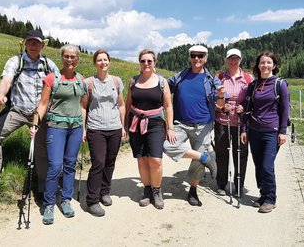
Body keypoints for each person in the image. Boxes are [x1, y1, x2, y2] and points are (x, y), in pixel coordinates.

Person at [0, 30, 58, 198]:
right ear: (25, 43)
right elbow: (6, 80)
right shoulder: (15, 61)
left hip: (40, 113)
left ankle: (44, 185)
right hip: (16, 110)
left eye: (36, 42)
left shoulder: (48, 64)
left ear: (42, 45)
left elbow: (59, 82)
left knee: (41, 147)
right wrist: (1, 95)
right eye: (30, 42)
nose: (33, 45)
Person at [30, 44, 87, 224]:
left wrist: (83, 127)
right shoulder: (51, 78)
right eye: (66, 56)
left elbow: (83, 106)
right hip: (56, 126)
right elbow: (43, 103)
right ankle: (49, 204)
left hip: (76, 128)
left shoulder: (81, 79)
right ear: (62, 58)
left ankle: (66, 200)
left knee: (70, 164)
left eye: (73, 57)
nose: (69, 60)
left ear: (77, 59)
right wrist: (35, 123)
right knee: (55, 165)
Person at [163, 45, 224, 207]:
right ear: (190, 57)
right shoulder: (181, 76)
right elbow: (164, 86)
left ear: (206, 58)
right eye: (194, 55)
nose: (197, 59)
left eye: (201, 56)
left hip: (203, 125)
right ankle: (205, 157)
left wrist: (221, 96)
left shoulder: (212, 79)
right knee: (168, 146)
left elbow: (220, 104)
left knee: (197, 162)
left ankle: (193, 191)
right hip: (180, 124)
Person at [125, 49, 175, 210]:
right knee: (142, 158)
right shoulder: (133, 81)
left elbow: (168, 105)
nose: (146, 64)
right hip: (136, 122)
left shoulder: (161, 81)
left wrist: (171, 127)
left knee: (155, 159)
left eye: (149, 61)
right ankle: (146, 191)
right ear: (139, 63)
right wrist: (125, 123)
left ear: (154, 63)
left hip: (155, 124)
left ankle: (156, 190)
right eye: (143, 61)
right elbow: (128, 104)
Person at [241, 51, 290, 213]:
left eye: (269, 62)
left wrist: (282, 132)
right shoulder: (253, 85)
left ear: (274, 66)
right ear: (258, 65)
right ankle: (262, 195)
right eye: (262, 62)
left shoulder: (280, 84)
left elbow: (285, 110)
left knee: (267, 166)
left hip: (272, 132)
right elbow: (247, 109)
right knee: (258, 165)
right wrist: (244, 129)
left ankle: (270, 198)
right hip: (254, 131)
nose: (265, 65)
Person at [84, 49, 126, 217]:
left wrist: (123, 126)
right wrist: (83, 128)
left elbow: (121, 105)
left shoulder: (117, 81)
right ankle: (92, 200)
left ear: (109, 62)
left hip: (115, 127)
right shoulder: (89, 83)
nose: (103, 62)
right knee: (98, 163)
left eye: (105, 60)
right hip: (96, 128)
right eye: (99, 60)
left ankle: (104, 192)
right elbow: (83, 107)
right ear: (95, 63)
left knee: (110, 162)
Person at [214, 48, 252, 196]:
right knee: (222, 154)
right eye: (230, 58)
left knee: (241, 154)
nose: (233, 61)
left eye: (236, 58)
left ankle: (239, 184)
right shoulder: (219, 78)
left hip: (241, 123)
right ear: (226, 60)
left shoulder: (248, 79)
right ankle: (222, 184)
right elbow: (213, 100)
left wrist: (244, 107)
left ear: (240, 60)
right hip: (222, 122)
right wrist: (222, 107)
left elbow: (253, 102)